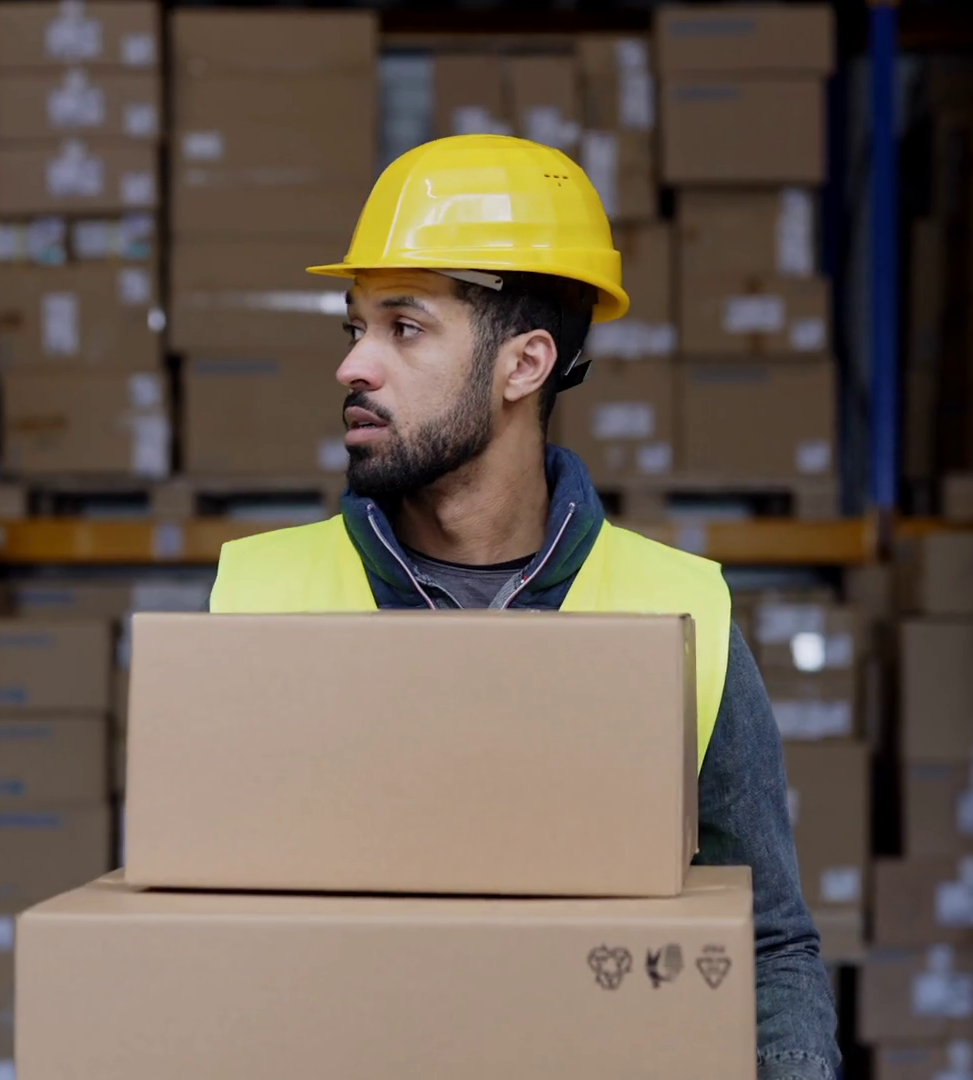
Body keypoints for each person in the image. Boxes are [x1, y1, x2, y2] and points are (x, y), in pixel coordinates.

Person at [208, 134, 841, 1080]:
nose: (354, 367)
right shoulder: (254, 605)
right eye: (354, 329)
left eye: (404, 327)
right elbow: (189, 944)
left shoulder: (680, 616)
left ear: (525, 363)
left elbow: (766, 949)